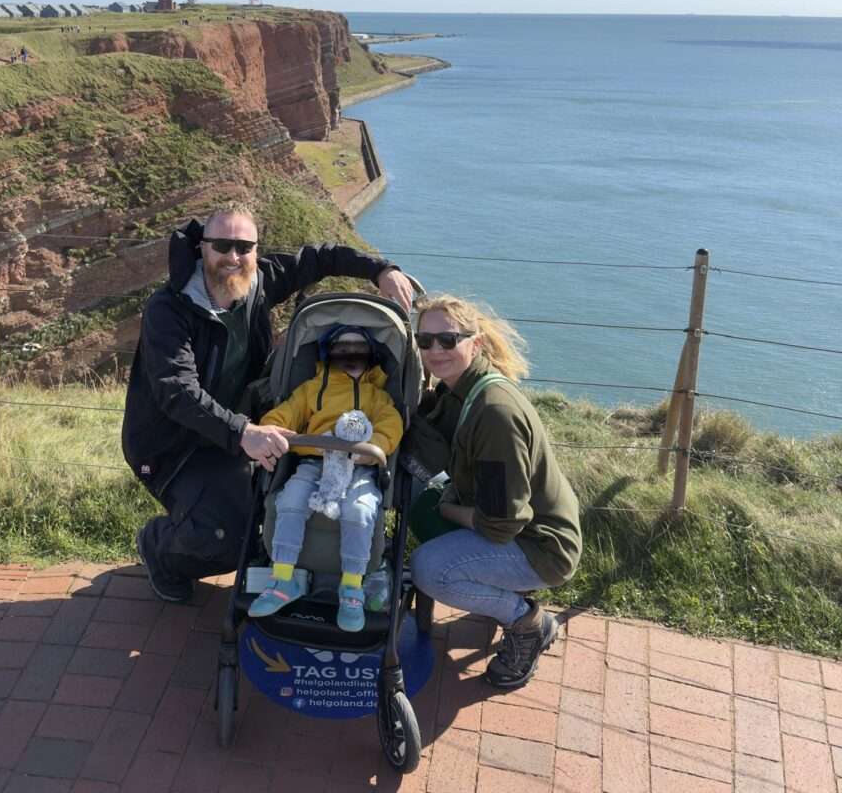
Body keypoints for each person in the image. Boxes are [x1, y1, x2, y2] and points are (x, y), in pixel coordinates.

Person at [123, 204, 413, 604]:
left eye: (244, 247)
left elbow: (320, 258)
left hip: (232, 435)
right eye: (222, 245)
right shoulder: (170, 309)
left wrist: (381, 270)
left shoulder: (257, 281)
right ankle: (160, 547)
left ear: (256, 251)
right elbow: (176, 390)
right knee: (227, 539)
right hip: (173, 446)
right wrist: (244, 432)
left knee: (264, 516)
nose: (233, 257)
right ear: (201, 248)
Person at [404, 294, 581, 690]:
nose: (435, 350)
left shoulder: (494, 413)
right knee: (416, 493)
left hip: (541, 547)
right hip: (517, 523)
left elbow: (502, 525)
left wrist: (448, 510)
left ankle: (527, 621)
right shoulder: (459, 389)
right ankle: (498, 585)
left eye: (448, 340)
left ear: (475, 343)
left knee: (428, 569)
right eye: (425, 341)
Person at [248, 327, 403, 631]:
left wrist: (376, 448)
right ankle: (282, 580)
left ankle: (352, 588)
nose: (350, 356)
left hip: (359, 466)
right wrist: (279, 432)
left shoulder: (377, 395)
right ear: (329, 355)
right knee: (289, 501)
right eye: (342, 350)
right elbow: (282, 415)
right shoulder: (312, 389)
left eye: (358, 349)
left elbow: (391, 424)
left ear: (370, 355)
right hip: (312, 461)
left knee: (358, 512)